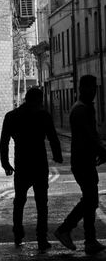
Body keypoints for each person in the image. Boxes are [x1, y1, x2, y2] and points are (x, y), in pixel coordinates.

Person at [0, 87, 63, 252]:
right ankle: (42, 239)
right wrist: (57, 156)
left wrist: (5, 163)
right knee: (42, 204)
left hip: (22, 165)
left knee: (19, 201)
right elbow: (53, 138)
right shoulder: (43, 116)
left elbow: (4, 142)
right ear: (38, 100)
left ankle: (18, 234)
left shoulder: (11, 116)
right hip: (39, 165)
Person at [54, 75, 106, 255]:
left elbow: (92, 136)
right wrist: (102, 151)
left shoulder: (82, 107)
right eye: (90, 88)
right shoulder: (82, 110)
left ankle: (90, 241)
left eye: (95, 88)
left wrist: (100, 150)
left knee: (91, 201)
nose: (93, 92)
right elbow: (90, 136)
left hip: (84, 161)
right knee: (90, 200)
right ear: (82, 88)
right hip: (82, 162)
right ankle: (65, 229)